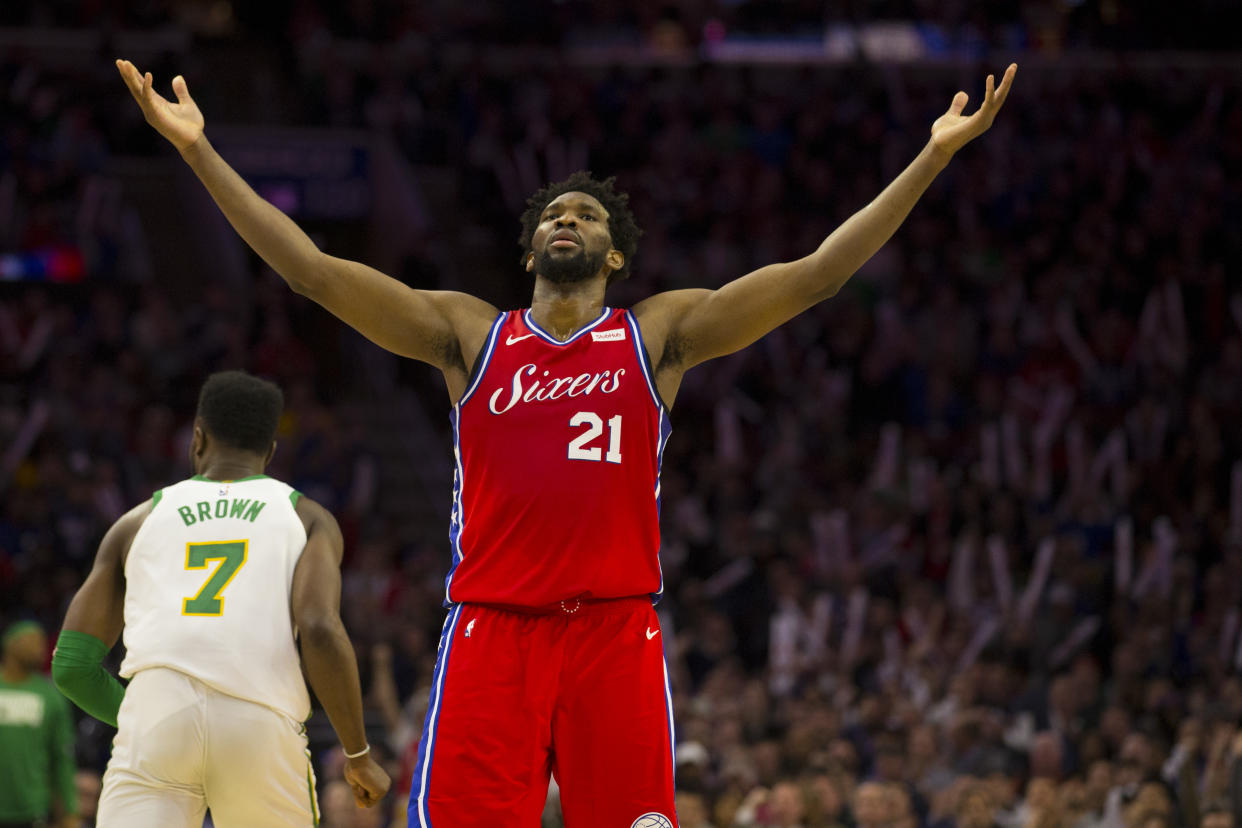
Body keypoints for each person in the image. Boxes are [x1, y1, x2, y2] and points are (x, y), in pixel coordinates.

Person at [114, 57, 1016, 827]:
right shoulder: (470, 334)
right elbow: (311, 270)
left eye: (584, 214)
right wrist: (197, 149)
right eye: (553, 215)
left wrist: (931, 156)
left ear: (614, 254)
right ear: (531, 248)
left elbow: (818, 276)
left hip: (615, 630)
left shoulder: (657, 334)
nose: (565, 220)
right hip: (491, 630)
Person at [51, 371, 391, 827]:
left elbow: (71, 665)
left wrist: (143, 714)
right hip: (259, 720)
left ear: (197, 438)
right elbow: (320, 629)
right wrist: (358, 753)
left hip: (156, 719)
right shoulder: (307, 517)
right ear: (271, 451)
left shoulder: (134, 523)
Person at [0, 621, 79, 828]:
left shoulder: (50, 696)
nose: (39, 647)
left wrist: (69, 810)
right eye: (32, 640)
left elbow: (62, 757)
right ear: (10, 643)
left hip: (32, 807)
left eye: (42, 642)